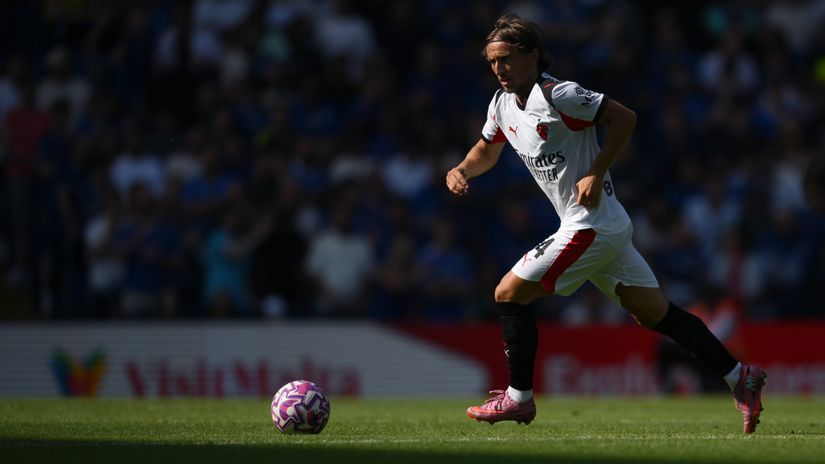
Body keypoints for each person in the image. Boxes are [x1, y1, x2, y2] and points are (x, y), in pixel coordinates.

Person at [446, 14, 767, 433]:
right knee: (656, 314)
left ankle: (519, 398)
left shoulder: (559, 95)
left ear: (533, 56)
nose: (498, 68)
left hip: (590, 225)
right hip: (604, 225)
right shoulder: (501, 104)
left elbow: (624, 118)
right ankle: (740, 376)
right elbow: (486, 149)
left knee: (508, 293)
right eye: (492, 61)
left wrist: (596, 171)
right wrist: (462, 170)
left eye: (506, 59)